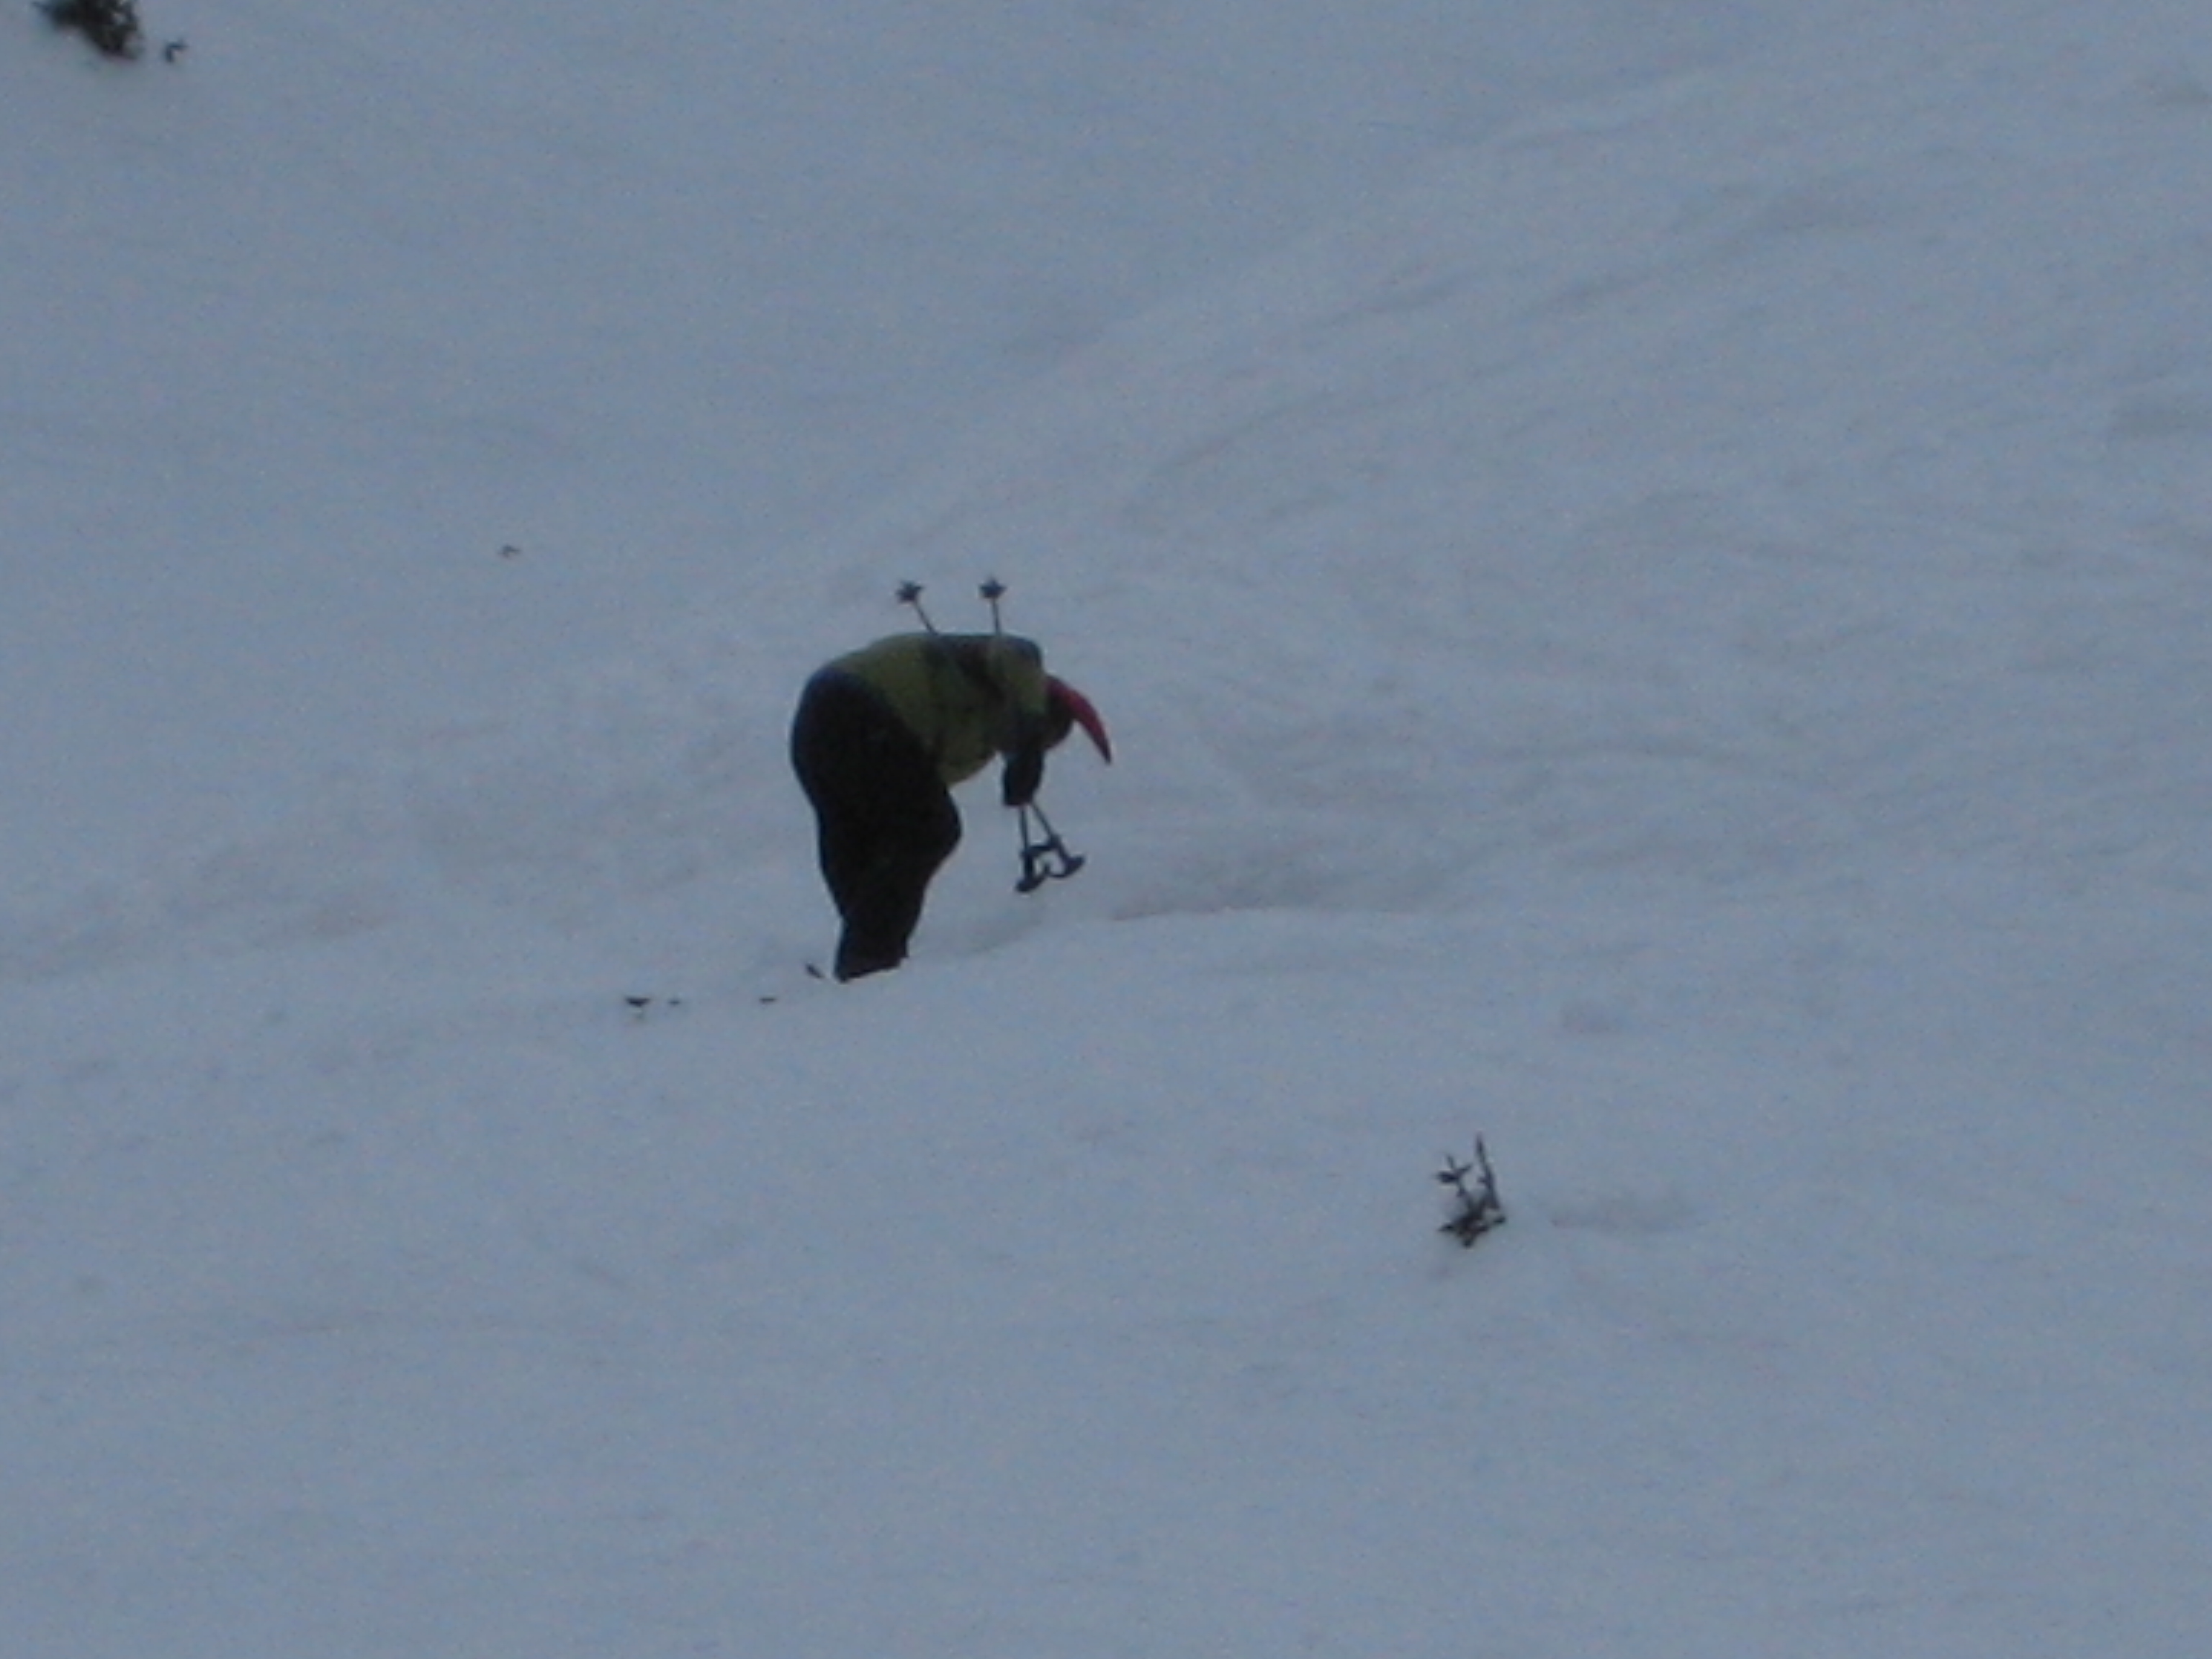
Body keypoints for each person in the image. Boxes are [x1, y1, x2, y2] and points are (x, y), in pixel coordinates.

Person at [790, 631, 1111, 981]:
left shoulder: (975, 743)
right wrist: (1030, 743)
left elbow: (910, 789)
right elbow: (1022, 653)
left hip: (820, 720)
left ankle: (866, 967)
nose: (1014, 747)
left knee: (861, 840)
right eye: (1042, 734)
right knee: (930, 832)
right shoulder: (1004, 671)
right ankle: (870, 959)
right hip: (862, 707)